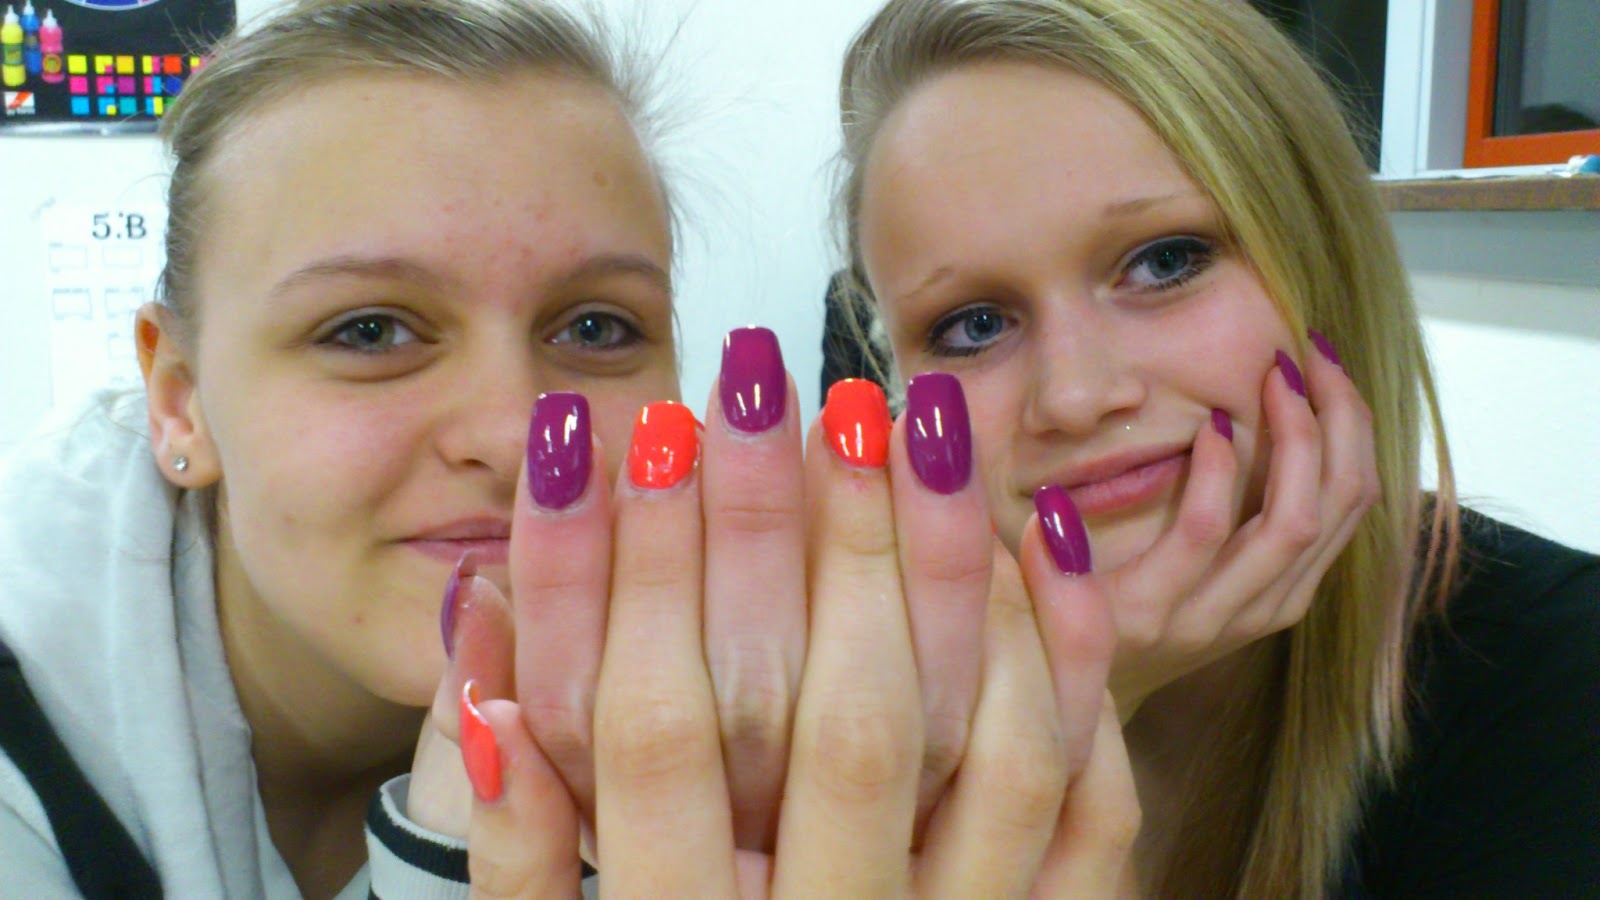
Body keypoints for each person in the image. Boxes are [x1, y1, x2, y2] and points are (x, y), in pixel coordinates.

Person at [0, 0, 1138, 896]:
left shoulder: (756, 685)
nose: (513, 433)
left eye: (596, 329)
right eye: (370, 332)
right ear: (180, 402)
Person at [830, 0, 1600, 897]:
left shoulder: (1563, 684)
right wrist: (1082, 706)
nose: (1075, 397)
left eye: (1166, 261)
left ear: (1328, 268)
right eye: (973, 325)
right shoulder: (849, 694)